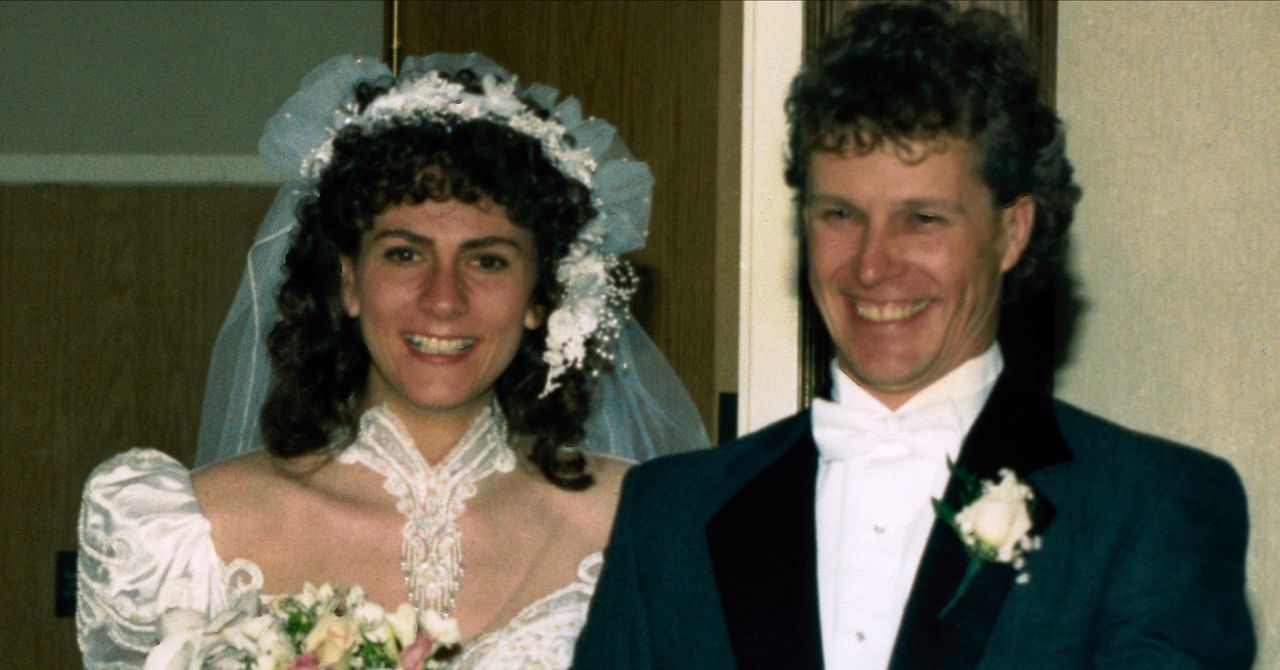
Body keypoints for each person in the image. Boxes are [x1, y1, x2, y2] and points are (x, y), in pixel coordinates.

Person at [574, 3, 1254, 668]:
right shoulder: (671, 515)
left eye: (923, 219)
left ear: (1012, 230)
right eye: (841, 215)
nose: (872, 265)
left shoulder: (1146, 508)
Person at [76, 52, 707, 669]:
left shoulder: (643, 526)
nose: (444, 300)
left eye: (488, 260)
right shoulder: (194, 535)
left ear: (540, 297)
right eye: (406, 254)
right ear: (350, 281)